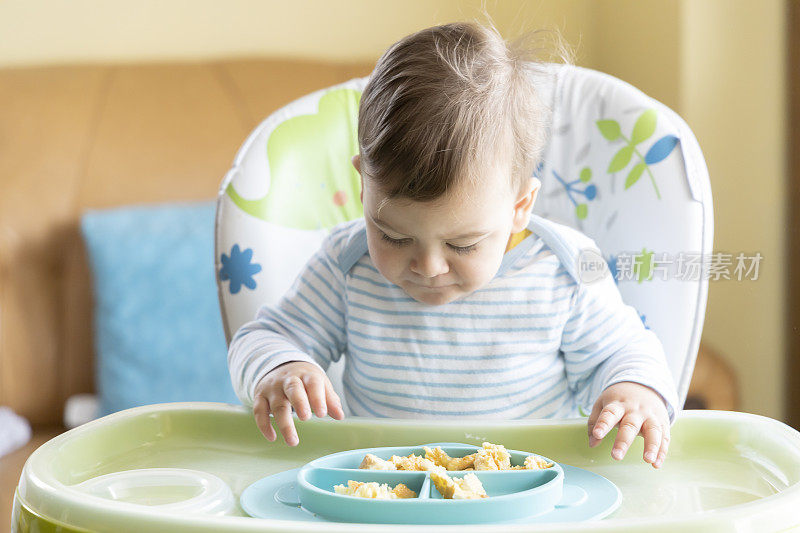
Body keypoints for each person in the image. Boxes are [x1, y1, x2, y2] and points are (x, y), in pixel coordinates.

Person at [228, 20, 678, 469]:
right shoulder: (347, 265)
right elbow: (265, 336)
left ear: (520, 206)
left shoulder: (563, 270)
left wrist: (635, 391)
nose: (428, 266)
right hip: (385, 497)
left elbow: (626, 352)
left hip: (525, 495)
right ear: (364, 187)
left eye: (463, 244)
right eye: (394, 236)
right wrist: (280, 367)